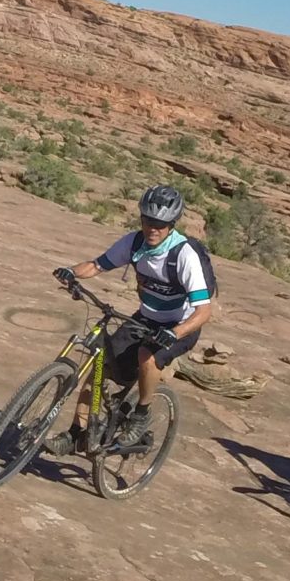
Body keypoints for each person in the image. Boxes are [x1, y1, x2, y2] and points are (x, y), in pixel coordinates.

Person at [49, 185, 217, 453]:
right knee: (100, 366)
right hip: (146, 318)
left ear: (172, 224)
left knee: (147, 357)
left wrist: (175, 332)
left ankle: (141, 414)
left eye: (161, 224)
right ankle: (74, 434)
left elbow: (204, 311)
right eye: (148, 221)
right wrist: (71, 271)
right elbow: (96, 265)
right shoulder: (134, 242)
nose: (153, 228)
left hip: (179, 326)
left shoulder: (183, 255)